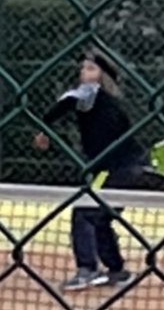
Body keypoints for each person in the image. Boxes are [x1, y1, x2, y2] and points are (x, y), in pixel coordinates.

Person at [33, 51, 146, 291]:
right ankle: (116, 270)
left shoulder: (91, 92)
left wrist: (44, 126)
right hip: (127, 167)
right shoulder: (113, 103)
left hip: (118, 167)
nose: (84, 73)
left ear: (102, 76)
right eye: (83, 68)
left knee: (84, 212)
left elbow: (65, 103)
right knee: (101, 218)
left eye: (91, 69)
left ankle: (87, 270)